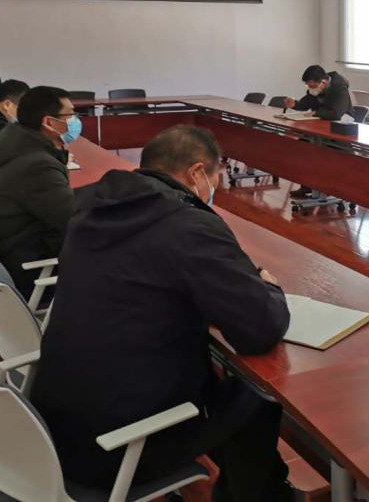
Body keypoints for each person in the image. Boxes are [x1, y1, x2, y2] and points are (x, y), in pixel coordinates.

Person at [31, 125, 293, 500]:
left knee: (218, 380)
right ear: (197, 173)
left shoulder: (89, 210)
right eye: (216, 176)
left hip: (54, 429)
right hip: (114, 448)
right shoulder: (187, 225)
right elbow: (260, 328)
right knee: (255, 400)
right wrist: (268, 285)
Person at [0, 86, 77, 298]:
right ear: (49, 122)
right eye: (70, 115)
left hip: (9, 253)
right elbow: (73, 221)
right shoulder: (37, 165)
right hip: (29, 272)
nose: (75, 121)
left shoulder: (17, 145)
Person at [283, 65, 352, 120]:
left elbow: (337, 114)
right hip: (321, 120)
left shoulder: (340, 88)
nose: (310, 88)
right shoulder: (315, 88)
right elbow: (306, 103)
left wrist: (316, 113)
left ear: (323, 82)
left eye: (312, 86)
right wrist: (294, 104)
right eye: (308, 85)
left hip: (343, 123)